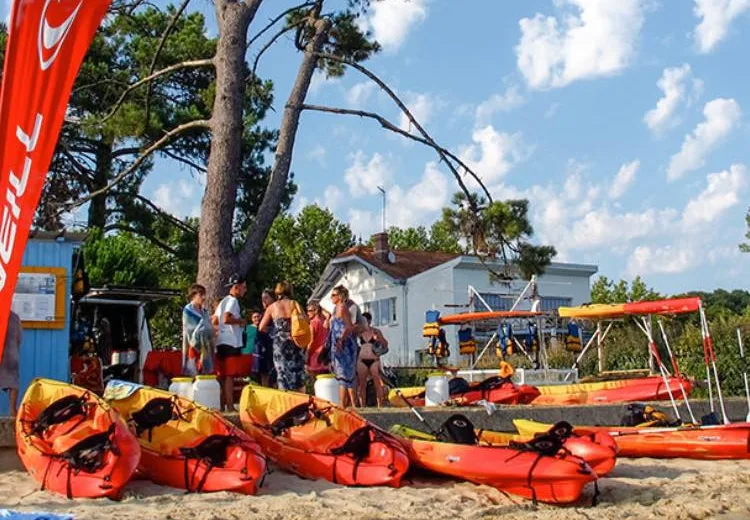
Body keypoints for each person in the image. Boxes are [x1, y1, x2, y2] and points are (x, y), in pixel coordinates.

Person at [259, 281, 306, 392]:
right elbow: (306, 321)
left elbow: (261, 327)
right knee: (297, 372)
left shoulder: (272, 307)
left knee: (282, 372)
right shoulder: (295, 304)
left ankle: (285, 401)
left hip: (280, 343)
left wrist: (275, 332)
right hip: (295, 341)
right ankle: (301, 401)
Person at [214, 273, 248, 411]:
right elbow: (225, 319)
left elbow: (215, 320)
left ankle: (222, 404)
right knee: (229, 375)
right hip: (231, 342)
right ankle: (229, 405)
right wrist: (241, 321)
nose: (245, 290)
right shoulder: (233, 301)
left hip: (221, 341)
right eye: (244, 287)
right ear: (237, 287)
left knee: (222, 375)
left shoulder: (223, 301)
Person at [329, 285, 365, 408]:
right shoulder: (335, 309)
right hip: (339, 344)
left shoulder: (344, 307)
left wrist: (341, 340)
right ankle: (345, 406)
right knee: (342, 377)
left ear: (340, 296)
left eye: (333, 295)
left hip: (345, 345)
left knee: (346, 376)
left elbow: (349, 326)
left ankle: (347, 405)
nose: (331, 298)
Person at [182, 284, 214, 376]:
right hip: (192, 344)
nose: (203, 297)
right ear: (193, 296)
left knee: (205, 373)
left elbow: (208, 326)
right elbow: (189, 328)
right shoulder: (188, 310)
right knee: (192, 371)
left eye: (204, 294)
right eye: (201, 295)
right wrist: (202, 327)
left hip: (205, 345)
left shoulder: (204, 311)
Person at [357, 312, 388, 407]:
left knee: (377, 383)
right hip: (362, 360)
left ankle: (380, 405)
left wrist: (378, 338)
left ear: (369, 321)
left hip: (374, 360)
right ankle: (362, 406)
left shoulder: (376, 331)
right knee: (362, 384)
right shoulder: (359, 332)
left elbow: (385, 344)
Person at [0, 311, 22, 417]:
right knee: (13, 382)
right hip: (11, 353)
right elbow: (19, 338)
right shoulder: (15, 317)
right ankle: (13, 410)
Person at [255, 290, 275, 387]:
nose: (264, 300)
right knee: (264, 372)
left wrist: (269, 330)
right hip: (263, 347)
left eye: (266, 298)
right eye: (262, 298)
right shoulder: (264, 313)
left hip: (273, 346)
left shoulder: (276, 312)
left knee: (274, 372)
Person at [305, 301, 330, 379]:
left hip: (315, 356)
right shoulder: (325, 323)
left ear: (315, 311)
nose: (307, 313)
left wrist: (307, 354)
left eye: (309, 311)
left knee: (315, 383)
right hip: (325, 356)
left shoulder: (313, 323)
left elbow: (311, 341)